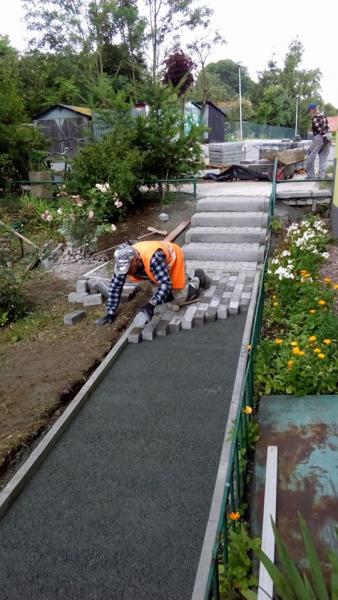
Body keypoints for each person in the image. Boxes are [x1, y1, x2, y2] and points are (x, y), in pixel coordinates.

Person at [96, 240, 210, 325]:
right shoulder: (123, 261)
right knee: (165, 298)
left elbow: (165, 284)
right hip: (155, 271)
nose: (127, 272)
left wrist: (150, 305)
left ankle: (198, 278)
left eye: (129, 268)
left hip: (173, 261)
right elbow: (115, 286)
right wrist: (110, 312)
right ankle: (184, 280)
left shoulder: (153, 258)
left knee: (179, 299)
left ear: (135, 259)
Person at [305, 103, 332, 180]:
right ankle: (321, 176)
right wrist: (328, 139)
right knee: (323, 158)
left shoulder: (315, 117)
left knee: (309, 155)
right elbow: (328, 128)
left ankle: (311, 176)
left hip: (320, 138)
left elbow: (320, 130)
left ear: (312, 110)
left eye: (309, 111)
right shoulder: (324, 116)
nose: (309, 113)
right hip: (328, 137)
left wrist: (323, 137)